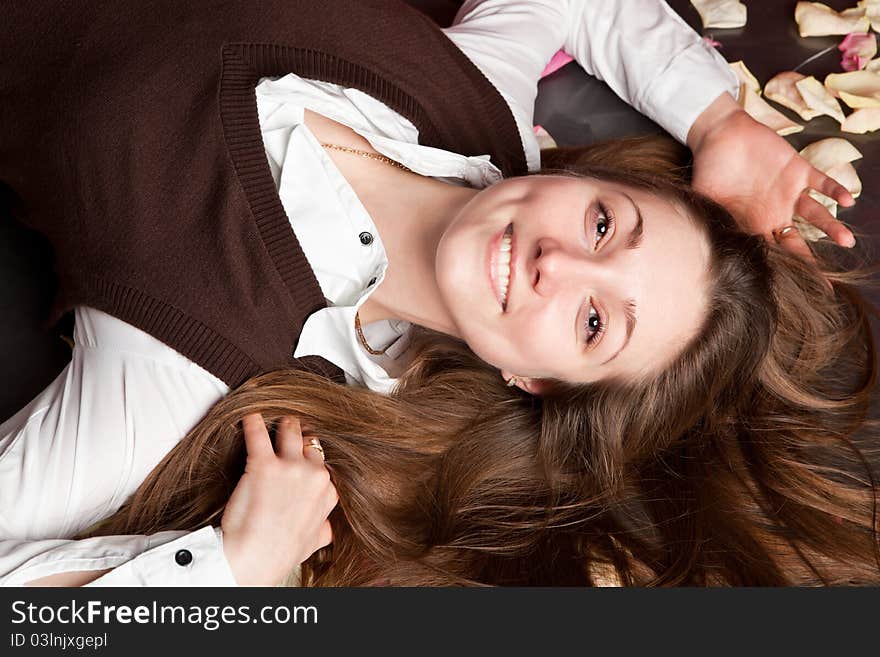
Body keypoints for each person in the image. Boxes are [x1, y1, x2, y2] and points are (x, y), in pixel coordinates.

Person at [0, 0, 874, 586]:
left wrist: (233, 569)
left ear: (532, 382)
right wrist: (717, 120)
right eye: (606, 225)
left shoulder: (188, 358)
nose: (558, 262)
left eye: (594, 320)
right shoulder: (477, 99)